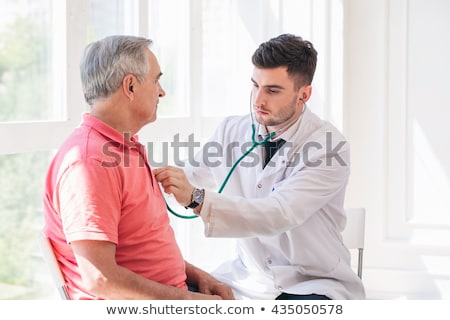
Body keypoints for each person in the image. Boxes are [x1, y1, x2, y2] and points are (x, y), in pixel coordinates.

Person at [154, 34, 366, 300]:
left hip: (311, 284)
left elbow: (279, 213)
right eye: (255, 85)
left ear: (304, 95)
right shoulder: (232, 130)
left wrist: (197, 199)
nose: (258, 100)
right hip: (245, 280)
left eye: (272, 90)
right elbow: (188, 173)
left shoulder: (329, 146)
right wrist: (133, 172)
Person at [42, 35, 234, 300]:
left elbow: (142, 249)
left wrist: (199, 277)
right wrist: (192, 303)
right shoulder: (90, 163)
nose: (162, 91)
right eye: (156, 80)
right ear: (130, 86)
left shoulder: (123, 147)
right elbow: (100, 279)